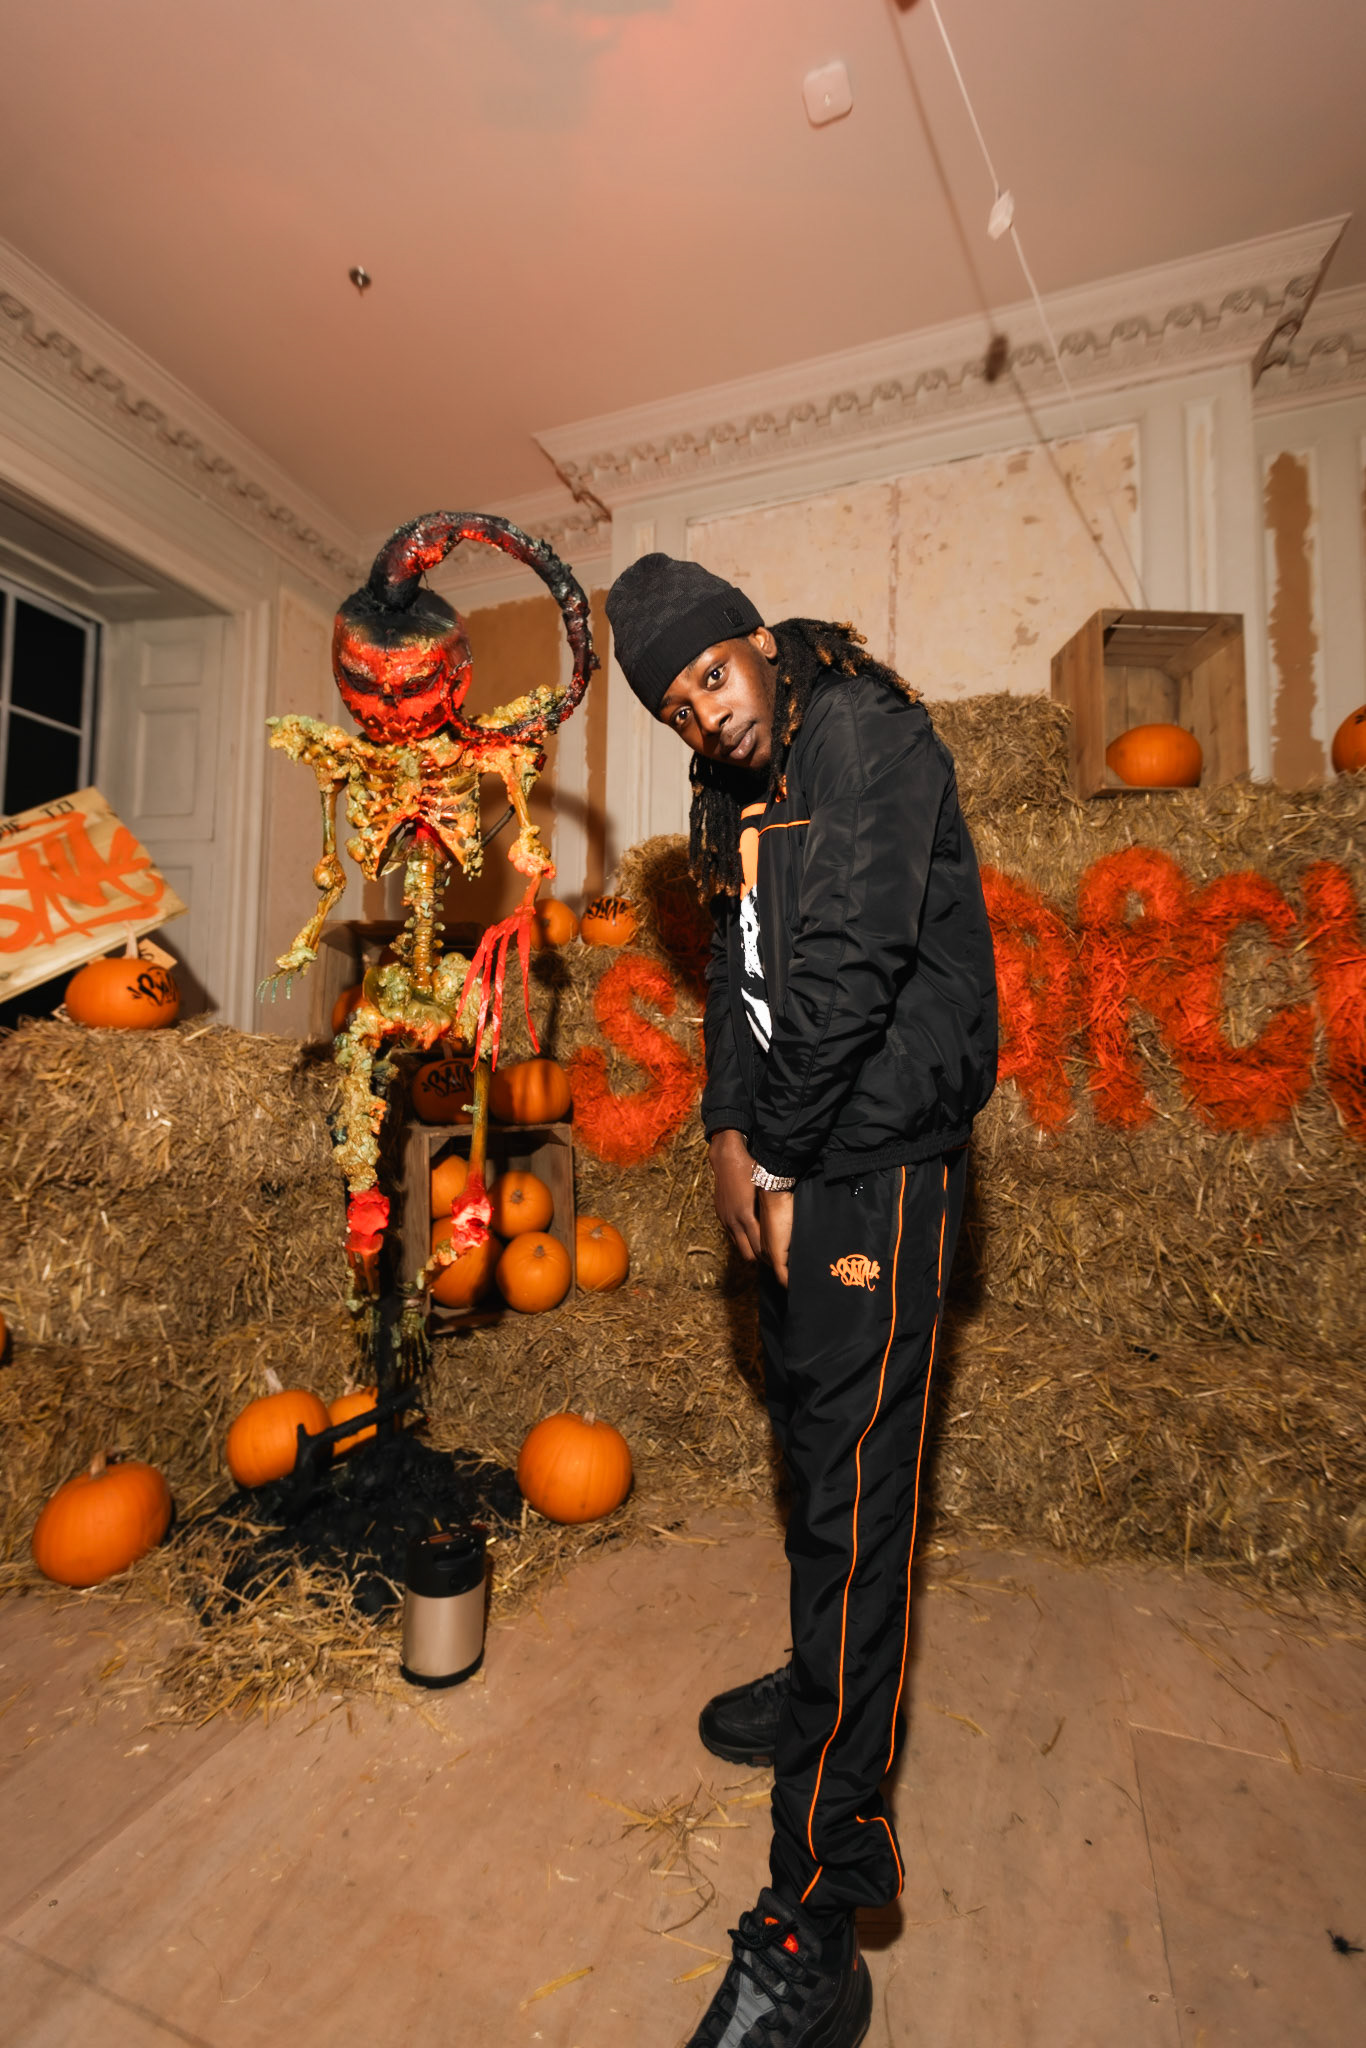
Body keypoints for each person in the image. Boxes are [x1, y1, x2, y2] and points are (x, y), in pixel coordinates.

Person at [605, 555, 998, 2048]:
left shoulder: (866, 737)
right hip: (792, 1150)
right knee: (808, 1457)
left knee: (855, 1511)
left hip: (873, 1161)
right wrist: (727, 1128)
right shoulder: (733, 789)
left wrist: (774, 1155)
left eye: (711, 675)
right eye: (675, 705)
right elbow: (737, 973)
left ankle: (817, 1916)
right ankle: (821, 1689)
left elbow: (844, 974)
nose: (703, 713)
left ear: (757, 642)